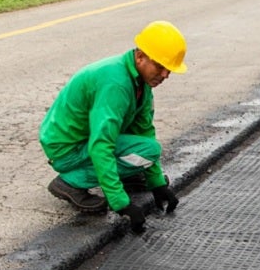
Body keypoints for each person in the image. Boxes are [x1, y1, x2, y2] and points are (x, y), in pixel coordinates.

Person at [39, 21, 186, 234]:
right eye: (160, 66)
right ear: (140, 56)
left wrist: (156, 183)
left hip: (83, 139)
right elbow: (101, 144)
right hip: (66, 149)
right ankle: (70, 182)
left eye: (169, 69)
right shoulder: (116, 84)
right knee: (149, 151)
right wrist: (120, 202)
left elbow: (143, 131)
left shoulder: (140, 84)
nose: (165, 75)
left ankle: (128, 176)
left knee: (146, 147)